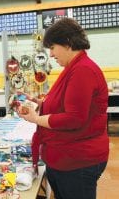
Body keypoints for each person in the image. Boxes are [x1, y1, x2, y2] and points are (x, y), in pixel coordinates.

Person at [16, 18, 109, 199]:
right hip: (68, 158)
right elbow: (64, 105)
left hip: (78, 161)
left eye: (52, 47)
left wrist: (36, 119)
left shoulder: (83, 70)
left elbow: (74, 118)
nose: (51, 54)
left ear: (67, 43)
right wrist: (37, 102)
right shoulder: (73, 68)